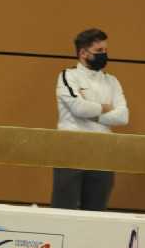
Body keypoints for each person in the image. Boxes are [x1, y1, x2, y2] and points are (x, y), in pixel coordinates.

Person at [51, 29, 129, 210]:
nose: (104, 54)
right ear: (83, 53)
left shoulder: (112, 81)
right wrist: (106, 108)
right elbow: (78, 107)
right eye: (99, 51)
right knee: (64, 209)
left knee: (97, 211)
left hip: (103, 150)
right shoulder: (68, 76)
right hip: (70, 147)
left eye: (105, 50)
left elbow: (123, 117)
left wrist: (92, 112)